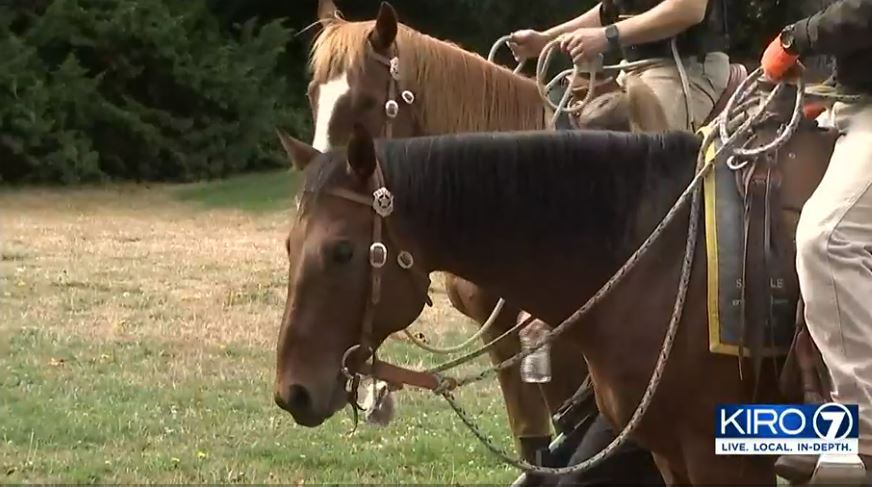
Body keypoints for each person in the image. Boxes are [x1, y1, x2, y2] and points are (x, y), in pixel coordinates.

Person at [761, 0, 872, 482]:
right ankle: (798, 398)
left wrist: (796, 38)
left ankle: (861, 432)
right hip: (848, 102)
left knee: (827, 239)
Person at [509, 0, 731, 132]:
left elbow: (689, 8)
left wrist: (606, 37)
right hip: (632, 69)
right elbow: (609, 12)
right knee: (559, 117)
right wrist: (544, 40)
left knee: (642, 150)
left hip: (686, 69)